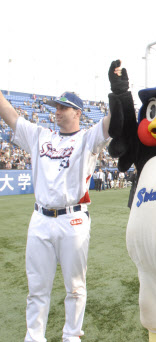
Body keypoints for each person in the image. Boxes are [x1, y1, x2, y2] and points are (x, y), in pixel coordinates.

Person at [0, 87, 112, 341]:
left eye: (63, 107)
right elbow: (9, 114)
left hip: (72, 219)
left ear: (78, 113)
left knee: (74, 286)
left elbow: (110, 123)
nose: (57, 112)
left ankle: (71, 335)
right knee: (37, 287)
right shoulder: (40, 135)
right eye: (56, 107)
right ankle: (34, 336)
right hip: (39, 219)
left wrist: (117, 93)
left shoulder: (87, 138)